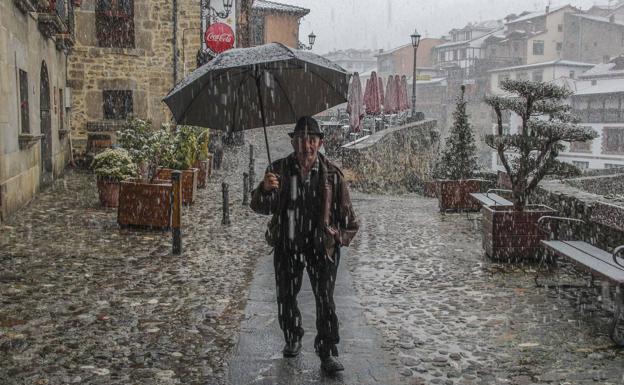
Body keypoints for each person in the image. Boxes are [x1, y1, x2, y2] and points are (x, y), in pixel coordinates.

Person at [250, 116, 359, 373]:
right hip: (288, 245)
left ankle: (327, 351)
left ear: (320, 143)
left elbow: (350, 222)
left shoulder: (332, 175)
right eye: (300, 140)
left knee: (325, 300)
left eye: (311, 140)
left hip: (321, 248)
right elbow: (260, 207)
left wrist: (336, 236)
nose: (306, 146)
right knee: (286, 296)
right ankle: (293, 334)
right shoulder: (278, 170)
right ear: (293, 142)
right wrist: (265, 189)